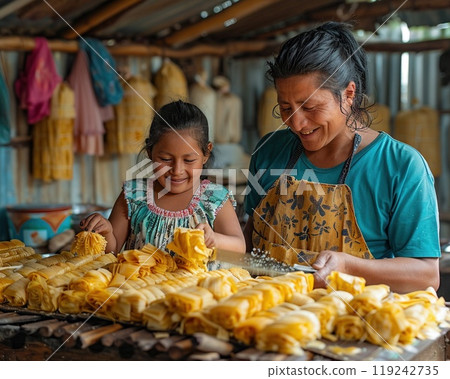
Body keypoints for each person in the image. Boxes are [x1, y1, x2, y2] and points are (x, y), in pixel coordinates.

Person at [243, 22, 440, 293]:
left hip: (354, 326)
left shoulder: (401, 166)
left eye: (310, 107)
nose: (297, 123)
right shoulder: (268, 151)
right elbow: (248, 244)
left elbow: (426, 276)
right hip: (268, 323)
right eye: (285, 107)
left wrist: (349, 266)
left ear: (348, 94)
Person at [81, 100, 246, 255]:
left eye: (189, 160)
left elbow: (239, 247)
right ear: (150, 152)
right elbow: (111, 252)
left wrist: (214, 239)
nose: (177, 170)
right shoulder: (134, 196)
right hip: (140, 285)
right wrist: (106, 231)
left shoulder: (215, 200)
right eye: (166, 159)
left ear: (206, 153)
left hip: (198, 286)